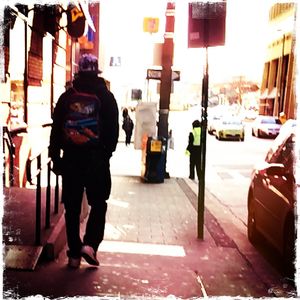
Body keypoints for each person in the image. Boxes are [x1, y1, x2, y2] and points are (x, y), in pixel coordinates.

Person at [49, 53, 119, 268]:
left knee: (71, 207)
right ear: (97, 72)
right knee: (99, 203)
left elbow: (56, 127)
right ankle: (90, 244)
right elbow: (113, 131)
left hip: (71, 159)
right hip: (96, 160)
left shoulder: (68, 96)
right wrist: (105, 153)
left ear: (79, 71)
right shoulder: (106, 97)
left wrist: (55, 156)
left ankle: (74, 255)